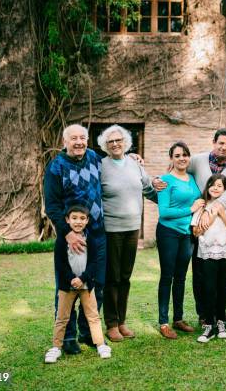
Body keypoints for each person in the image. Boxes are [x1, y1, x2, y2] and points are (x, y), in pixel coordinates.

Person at [43, 124, 107, 355]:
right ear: (65, 141)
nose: (79, 142)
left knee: (95, 284)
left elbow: (114, 162)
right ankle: (68, 337)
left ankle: (88, 332)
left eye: (83, 138)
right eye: (74, 138)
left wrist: (133, 158)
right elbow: (51, 205)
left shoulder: (94, 157)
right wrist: (67, 233)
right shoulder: (56, 167)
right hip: (70, 237)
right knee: (67, 284)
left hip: (97, 233)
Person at [98, 125, 157, 342]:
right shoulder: (100, 165)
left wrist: (173, 204)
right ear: (105, 145)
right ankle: (111, 324)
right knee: (111, 278)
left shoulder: (135, 164)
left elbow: (150, 189)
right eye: (110, 141)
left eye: (118, 140)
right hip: (111, 230)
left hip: (133, 229)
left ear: (125, 143)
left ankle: (122, 322)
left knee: (125, 277)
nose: (115, 144)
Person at [44, 205, 112, 363]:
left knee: (93, 316)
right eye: (74, 218)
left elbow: (94, 262)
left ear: (87, 220)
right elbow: (60, 263)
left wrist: (82, 278)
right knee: (62, 317)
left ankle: (100, 344)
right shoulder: (62, 240)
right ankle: (56, 347)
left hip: (86, 286)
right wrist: (71, 279)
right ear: (67, 220)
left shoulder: (91, 240)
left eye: (82, 218)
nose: (78, 221)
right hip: (67, 286)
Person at [156, 141, 204, 339]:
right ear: (171, 159)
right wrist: (190, 209)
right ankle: (164, 322)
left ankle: (178, 318)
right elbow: (164, 212)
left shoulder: (192, 178)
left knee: (182, 276)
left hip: (187, 235)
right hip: (168, 232)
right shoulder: (165, 181)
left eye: (185, 154)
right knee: (168, 275)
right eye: (177, 155)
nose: (182, 158)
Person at [191, 174, 226, 343]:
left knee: (223, 287)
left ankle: (221, 322)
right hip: (207, 254)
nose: (216, 188)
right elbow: (196, 232)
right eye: (213, 184)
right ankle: (209, 325)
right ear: (208, 186)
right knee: (209, 288)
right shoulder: (201, 206)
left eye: (220, 185)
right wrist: (210, 215)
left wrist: (221, 212)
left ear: (225, 190)